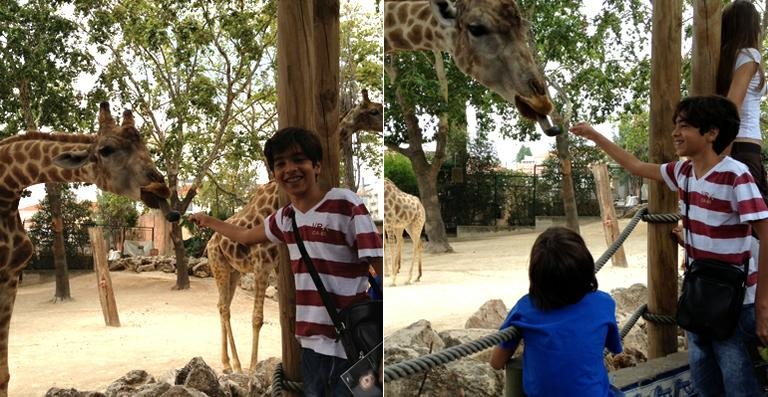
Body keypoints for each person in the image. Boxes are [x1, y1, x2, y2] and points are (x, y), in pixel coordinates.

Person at [570, 95, 768, 396]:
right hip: (698, 294)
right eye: (676, 125)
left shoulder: (735, 176)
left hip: (736, 301)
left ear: (711, 133)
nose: (675, 132)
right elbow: (635, 165)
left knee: (739, 382)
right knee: (704, 380)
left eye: (684, 126)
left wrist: (763, 306)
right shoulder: (683, 172)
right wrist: (596, 135)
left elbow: (766, 234)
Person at [189, 127, 384, 397]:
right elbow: (245, 235)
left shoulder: (345, 204)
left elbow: (378, 262)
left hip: (352, 343)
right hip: (310, 344)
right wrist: (209, 222)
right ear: (274, 174)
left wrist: (382, 332)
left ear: (317, 165)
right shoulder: (285, 218)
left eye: (299, 160)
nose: (290, 169)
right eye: (280, 164)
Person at [489, 226, 623, 397]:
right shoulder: (604, 303)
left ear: (536, 275)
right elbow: (613, 347)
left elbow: (496, 362)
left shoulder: (525, 308)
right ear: (586, 267)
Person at [717, 0, 768, 200]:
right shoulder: (749, 55)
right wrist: (724, 155)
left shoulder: (728, 59)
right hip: (743, 147)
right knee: (757, 223)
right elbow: (732, 106)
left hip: (738, 147)